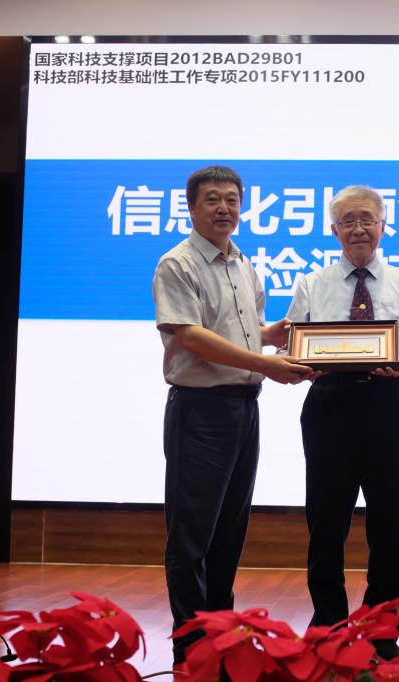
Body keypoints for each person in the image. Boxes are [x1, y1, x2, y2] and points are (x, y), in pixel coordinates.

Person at [153, 165, 314, 664]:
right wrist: (265, 362)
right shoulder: (177, 264)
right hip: (201, 410)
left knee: (229, 530)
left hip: (244, 408)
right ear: (191, 207)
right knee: (192, 533)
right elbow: (191, 335)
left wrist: (270, 335)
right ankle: (190, 643)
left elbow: (234, 330)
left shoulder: (243, 264)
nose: (224, 208)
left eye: (232, 200)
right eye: (212, 200)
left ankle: (220, 633)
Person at [285, 185, 399, 660]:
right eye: (348, 221)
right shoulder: (311, 283)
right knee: (325, 522)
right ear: (334, 230)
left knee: (390, 523)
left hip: (390, 403)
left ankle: (381, 632)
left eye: (367, 219)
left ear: (383, 226)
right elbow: (291, 342)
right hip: (329, 404)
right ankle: (327, 625)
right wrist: (301, 360)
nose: (358, 229)